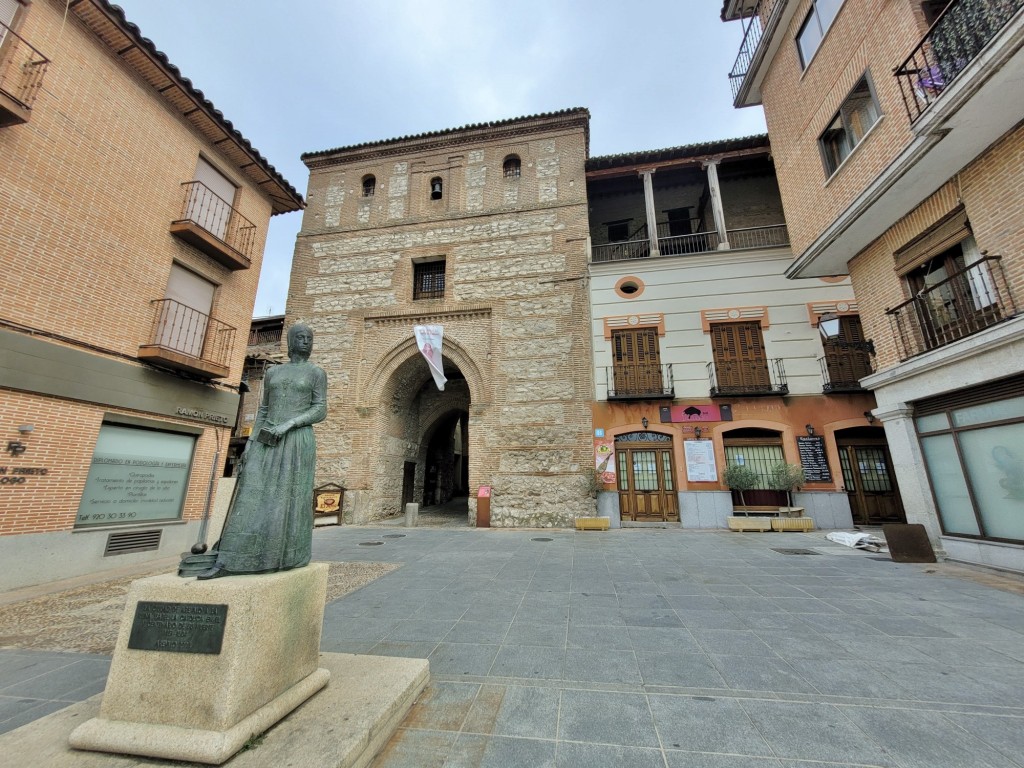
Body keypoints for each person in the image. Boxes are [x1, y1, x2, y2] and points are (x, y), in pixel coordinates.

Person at [197, 323, 327, 579]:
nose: (305, 342)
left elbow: (320, 409)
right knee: (251, 494)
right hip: (266, 439)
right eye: (300, 337)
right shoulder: (273, 373)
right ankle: (233, 557)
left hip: (296, 440)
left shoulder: (316, 373)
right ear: (289, 342)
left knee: (290, 498)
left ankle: (287, 555)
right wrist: (252, 442)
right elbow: (264, 410)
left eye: (309, 338)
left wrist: (289, 424)